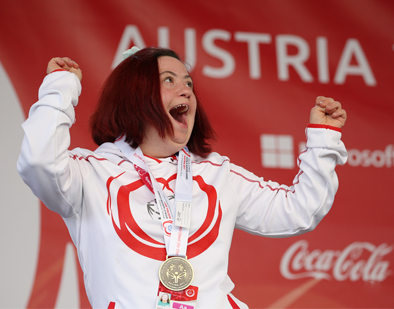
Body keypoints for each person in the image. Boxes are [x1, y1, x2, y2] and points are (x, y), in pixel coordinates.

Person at [17, 47, 347, 309]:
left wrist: (324, 138)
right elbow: (39, 162)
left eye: (188, 82)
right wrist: (60, 89)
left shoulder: (215, 173)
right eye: (169, 80)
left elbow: (299, 210)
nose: (186, 90)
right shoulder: (89, 174)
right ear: (134, 94)